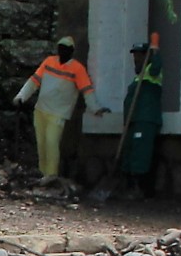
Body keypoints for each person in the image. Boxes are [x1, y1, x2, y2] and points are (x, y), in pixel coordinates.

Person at [13, 36, 110, 179]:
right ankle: (42, 175)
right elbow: (34, 81)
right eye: (60, 48)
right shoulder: (49, 62)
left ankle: (51, 176)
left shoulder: (77, 69)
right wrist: (21, 97)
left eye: (65, 49)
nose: (62, 51)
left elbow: (87, 90)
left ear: (71, 51)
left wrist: (95, 108)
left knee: (51, 143)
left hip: (58, 113)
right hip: (41, 110)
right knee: (41, 144)